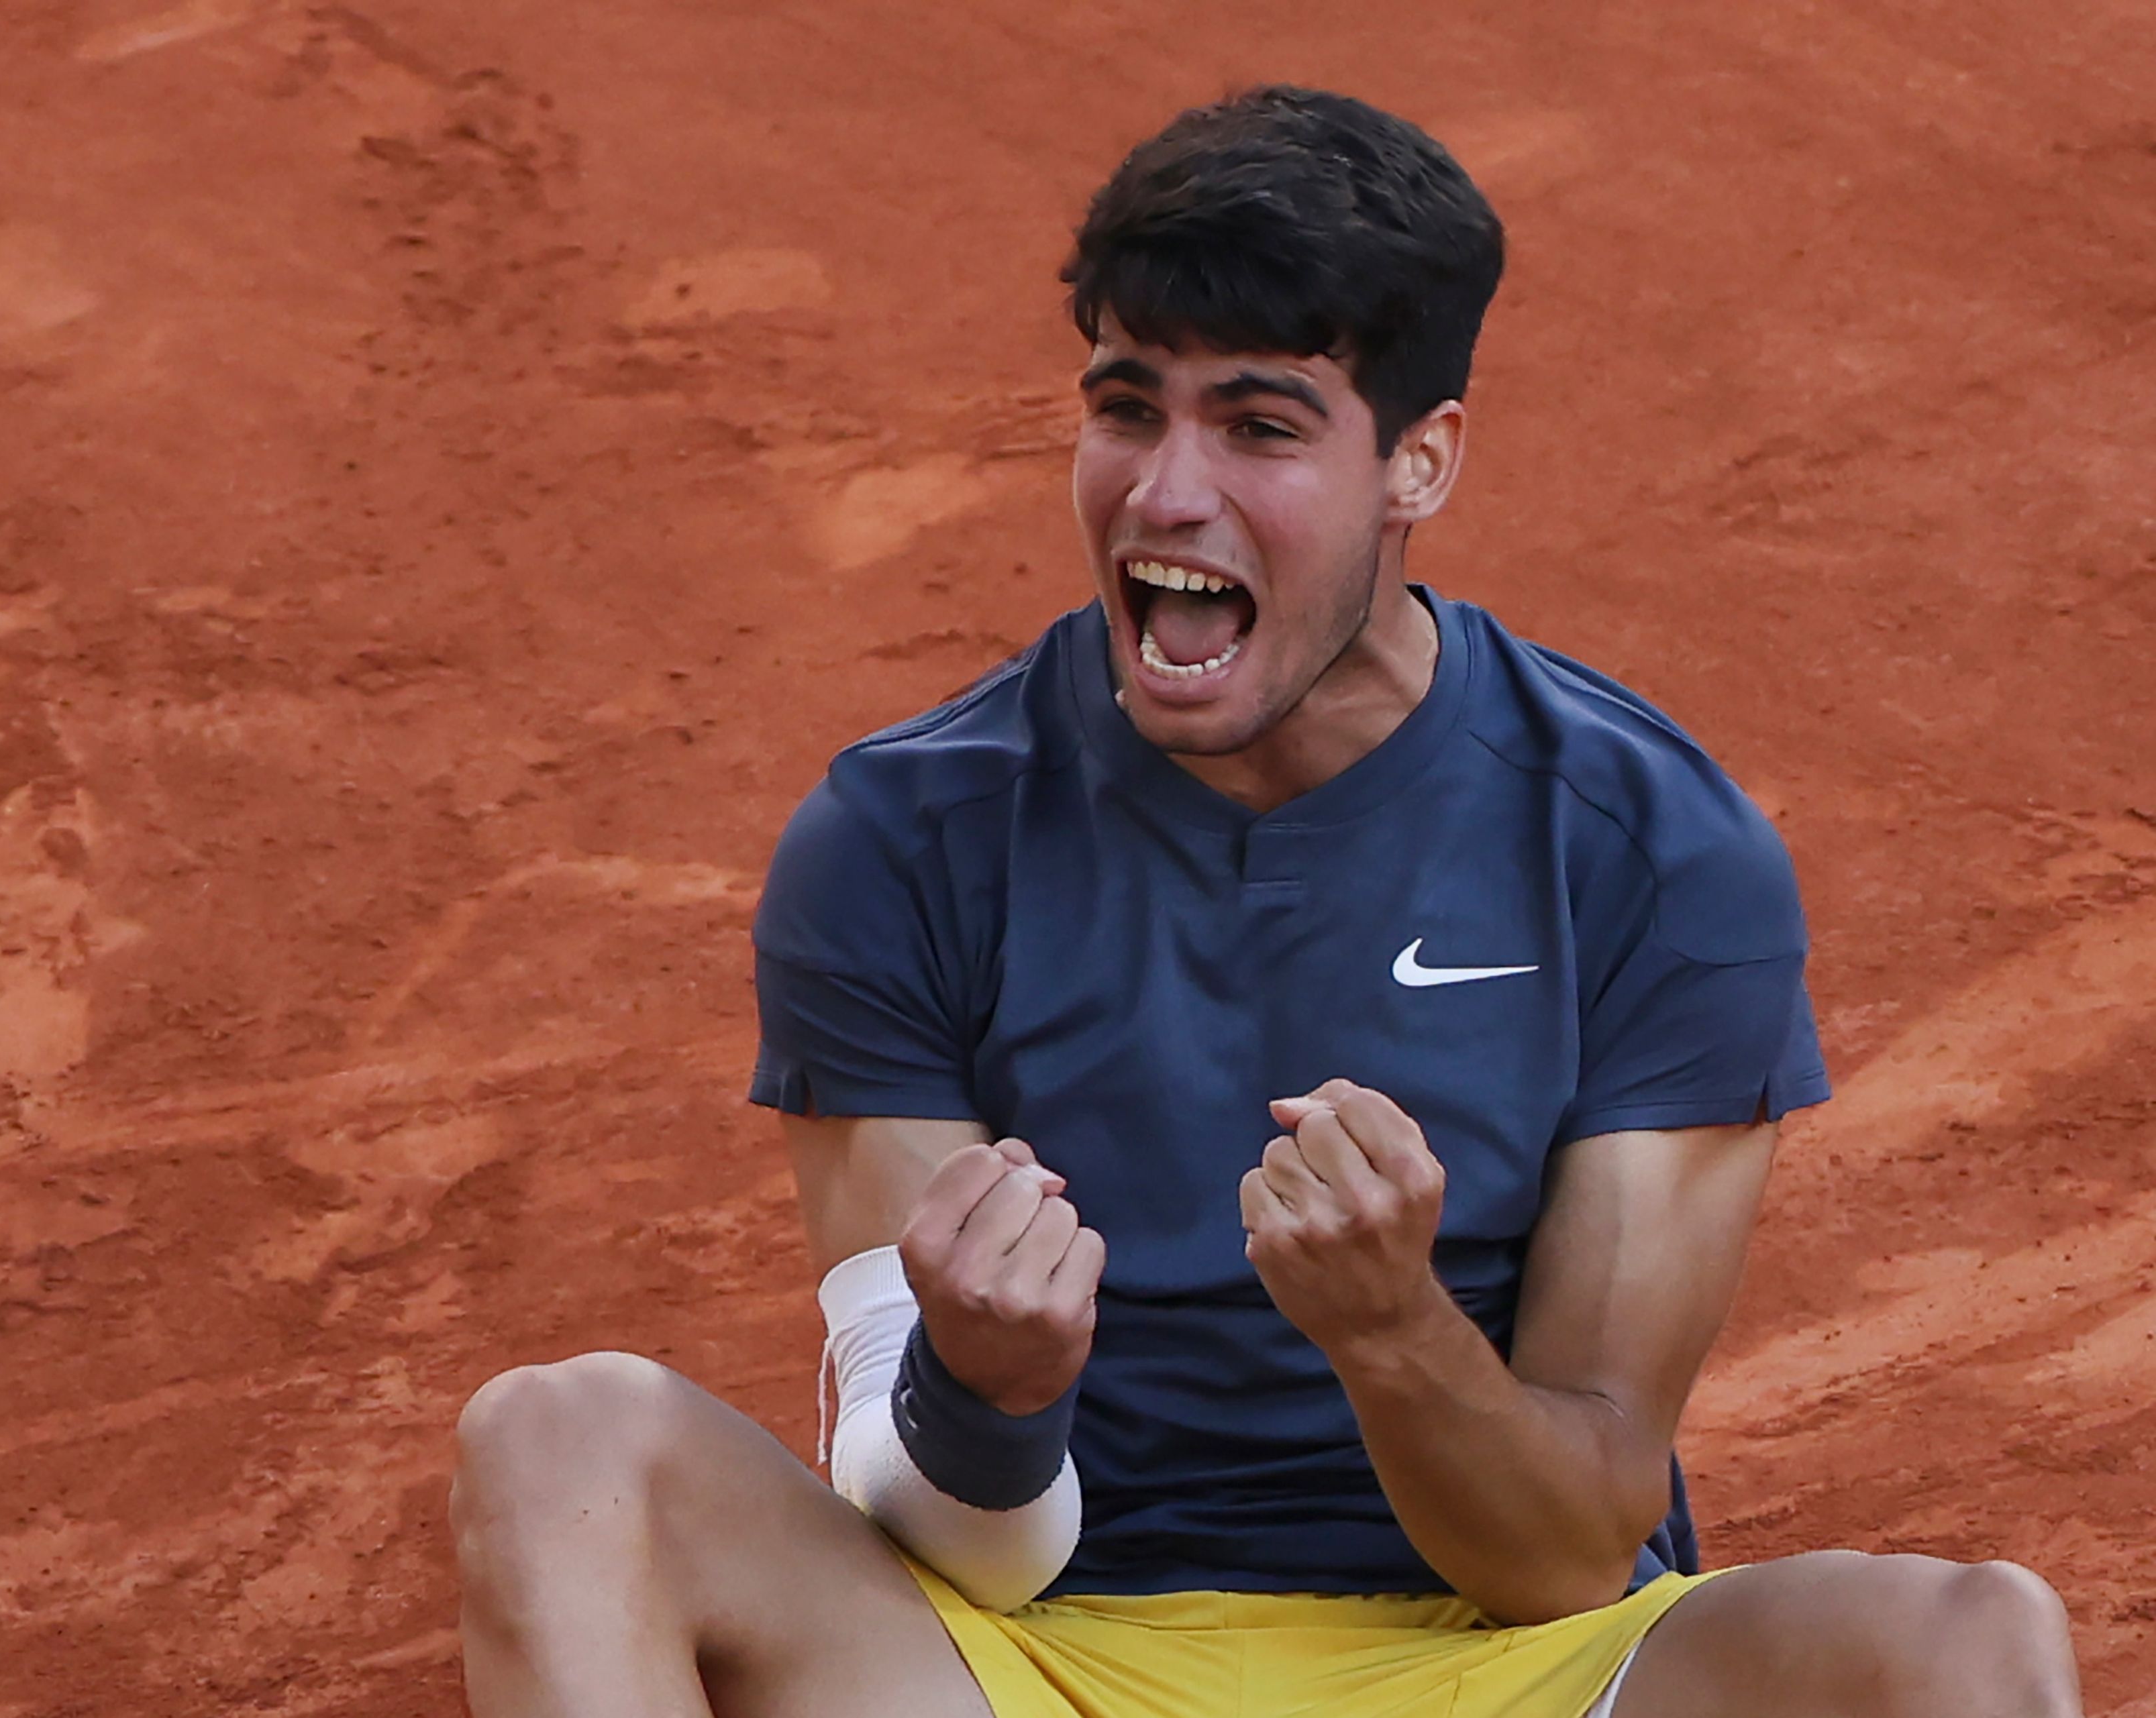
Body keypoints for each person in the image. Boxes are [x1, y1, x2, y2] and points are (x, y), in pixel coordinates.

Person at [448, 87, 2083, 1718]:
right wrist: (992, 1391)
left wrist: (1391, 1331)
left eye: (1259, 424)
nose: (1165, 492)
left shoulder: (1649, 848)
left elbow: (1572, 1552)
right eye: (1126, 408)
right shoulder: (905, 835)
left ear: (1419, 463)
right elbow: (952, 1537)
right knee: (562, 1443)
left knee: (1971, 1643)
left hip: (1504, 1666)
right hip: (1022, 1663)